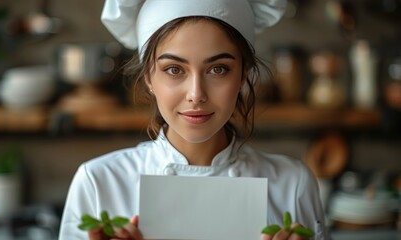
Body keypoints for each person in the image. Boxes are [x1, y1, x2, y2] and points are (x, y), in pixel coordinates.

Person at [59, 0, 328, 239]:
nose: (196, 94)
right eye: (174, 69)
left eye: (218, 69)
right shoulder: (99, 183)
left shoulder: (292, 184)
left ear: (243, 75)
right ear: (149, 78)